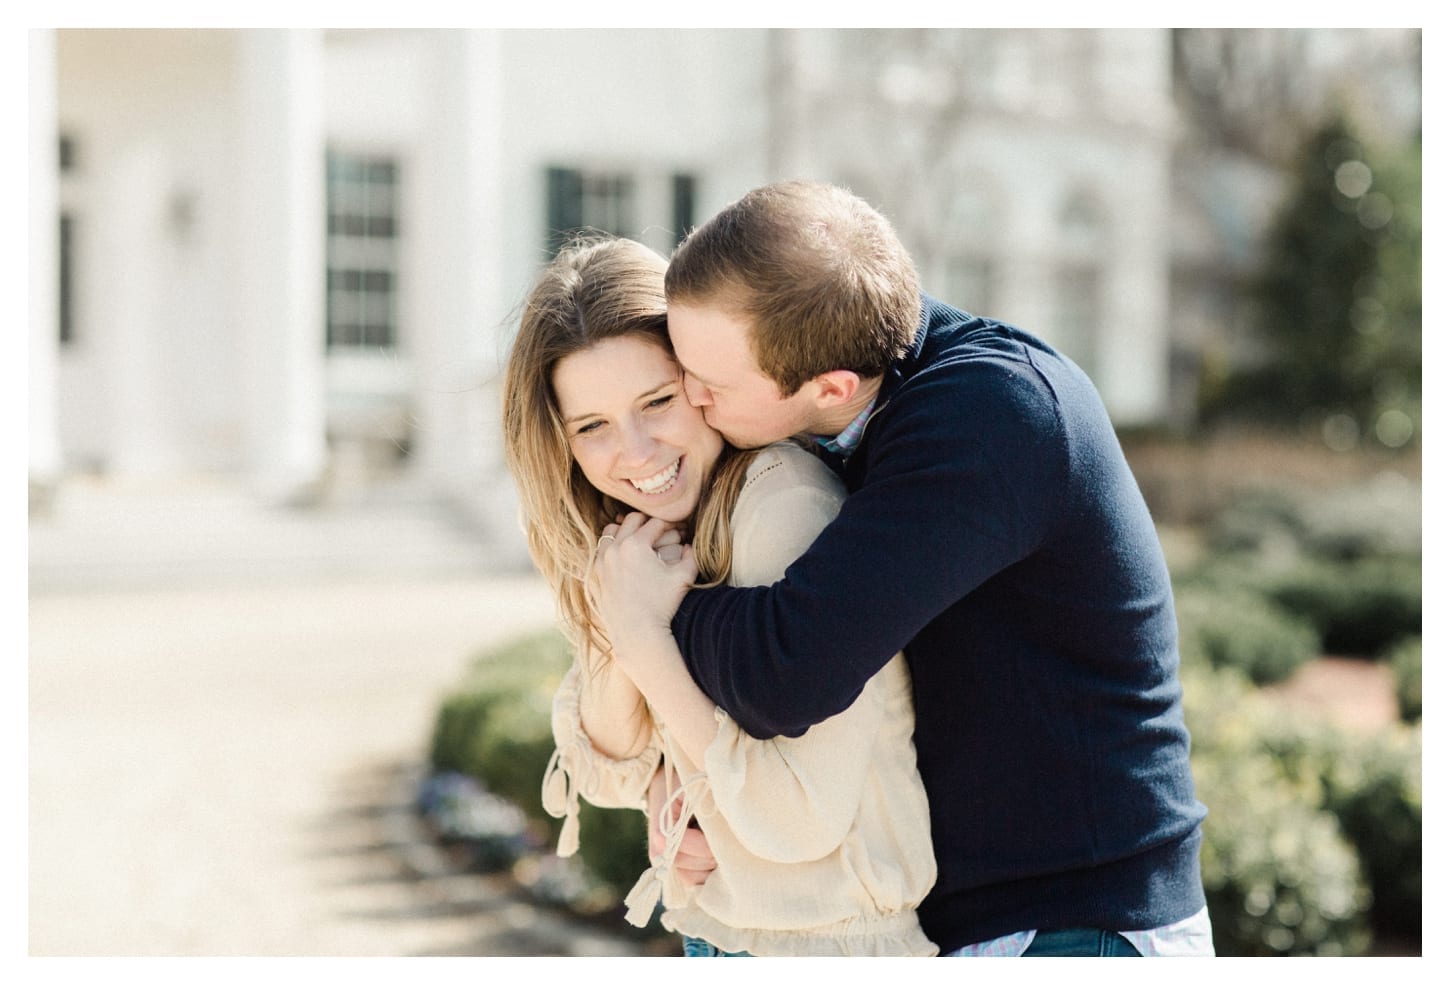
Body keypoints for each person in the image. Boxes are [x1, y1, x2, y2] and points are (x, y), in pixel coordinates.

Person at [595, 181, 1216, 957]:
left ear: (829, 389)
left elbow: (784, 670)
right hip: (977, 915)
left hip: (1072, 920)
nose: (686, 395)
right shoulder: (843, 386)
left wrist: (642, 612)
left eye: (707, 384)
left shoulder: (993, 416)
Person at [500, 235, 938, 957]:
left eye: (658, 400)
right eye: (592, 426)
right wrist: (624, 620)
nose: (635, 451)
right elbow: (605, 767)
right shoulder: (650, 536)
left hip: (836, 946)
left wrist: (644, 642)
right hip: (721, 934)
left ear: (703, 383)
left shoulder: (782, 508)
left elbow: (797, 818)